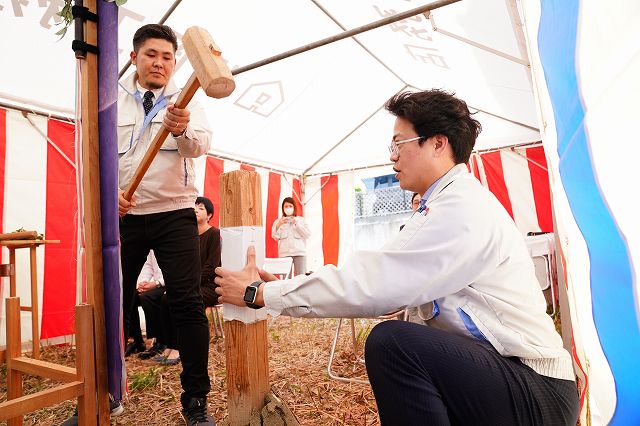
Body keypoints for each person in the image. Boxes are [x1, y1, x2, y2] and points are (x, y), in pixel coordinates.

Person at [215, 89, 579, 425]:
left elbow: (373, 281)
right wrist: (285, 287)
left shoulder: (460, 208)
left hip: (536, 388)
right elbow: (386, 277)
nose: (392, 156)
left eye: (399, 143)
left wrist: (259, 295)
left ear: (438, 143)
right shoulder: (446, 203)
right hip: (513, 375)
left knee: (393, 345)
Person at [117, 24, 214, 425]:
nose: (159, 62)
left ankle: (195, 401)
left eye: (167, 56)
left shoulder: (184, 99)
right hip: (125, 213)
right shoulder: (113, 99)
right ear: (134, 58)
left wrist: (182, 127)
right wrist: (109, 198)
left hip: (175, 212)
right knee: (114, 302)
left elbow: (201, 144)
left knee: (187, 302)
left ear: (176, 62)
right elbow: (98, 154)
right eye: (151, 54)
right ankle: (107, 392)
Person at [154, 196, 222, 366]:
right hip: (190, 284)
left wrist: (188, 284)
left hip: (210, 285)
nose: (196, 210)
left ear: (210, 215)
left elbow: (211, 266)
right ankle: (170, 345)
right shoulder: (188, 235)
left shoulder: (214, 233)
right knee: (165, 300)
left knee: (185, 301)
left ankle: (179, 348)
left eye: (201, 208)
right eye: (194, 207)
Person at [136, 250, 168, 360]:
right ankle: (136, 340)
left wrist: (157, 283)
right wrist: (142, 283)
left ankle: (162, 341)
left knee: (148, 297)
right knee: (131, 297)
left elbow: (175, 267)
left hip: (169, 282)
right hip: (155, 284)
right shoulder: (151, 245)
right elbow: (148, 265)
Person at [271, 197, 310, 276]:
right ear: (283, 208)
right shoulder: (278, 221)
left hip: (299, 253)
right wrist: (279, 224)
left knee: (301, 277)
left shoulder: (301, 220)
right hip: (284, 254)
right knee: (285, 279)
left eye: (290, 206)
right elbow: (275, 237)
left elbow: (307, 234)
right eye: (286, 206)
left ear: (294, 207)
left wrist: (297, 224)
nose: (288, 208)